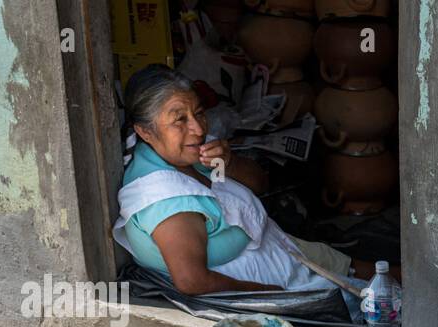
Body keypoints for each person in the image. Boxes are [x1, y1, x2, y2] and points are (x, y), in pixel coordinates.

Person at [112, 65, 359, 310]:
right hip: (269, 283)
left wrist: (228, 163)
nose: (198, 130)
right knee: (366, 302)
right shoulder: (166, 198)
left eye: (199, 113)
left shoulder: (186, 153)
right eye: (180, 119)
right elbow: (191, 280)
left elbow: (260, 184)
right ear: (145, 131)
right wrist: (269, 294)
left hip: (277, 247)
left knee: (358, 272)